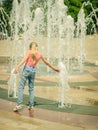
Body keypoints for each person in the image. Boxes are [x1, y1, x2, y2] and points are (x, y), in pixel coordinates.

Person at [13, 42, 60, 111]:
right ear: (36, 47)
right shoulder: (39, 54)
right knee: (31, 88)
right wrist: (54, 68)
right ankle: (31, 105)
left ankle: (18, 105)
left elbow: (24, 60)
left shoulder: (29, 52)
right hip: (33, 71)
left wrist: (17, 67)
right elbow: (47, 63)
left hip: (27, 69)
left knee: (21, 87)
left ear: (30, 47)